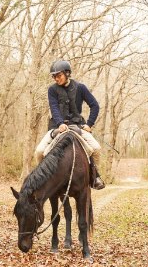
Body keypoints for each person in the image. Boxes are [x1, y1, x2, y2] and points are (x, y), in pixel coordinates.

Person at [35, 60, 105, 190]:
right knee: (39, 151)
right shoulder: (52, 90)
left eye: (59, 75)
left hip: (77, 126)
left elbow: (94, 105)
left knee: (96, 149)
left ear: (67, 73)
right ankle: (42, 180)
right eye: (54, 76)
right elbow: (54, 108)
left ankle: (94, 177)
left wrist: (89, 124)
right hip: (56, 127)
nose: (56, 79)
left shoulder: (80, 88)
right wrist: (60, 123)